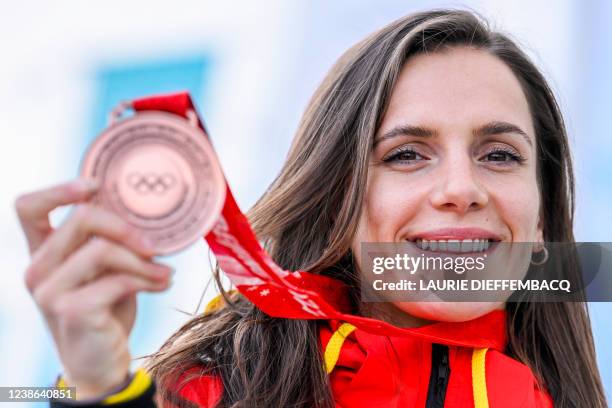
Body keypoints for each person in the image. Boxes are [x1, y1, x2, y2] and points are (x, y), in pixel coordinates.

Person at [15, 9, 607, 408]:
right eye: (405, 154)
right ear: (334, 199)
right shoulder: (216, 389)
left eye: (500, 155)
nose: (461, 187)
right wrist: (97, 385)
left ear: (541, 219)